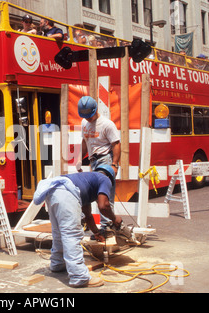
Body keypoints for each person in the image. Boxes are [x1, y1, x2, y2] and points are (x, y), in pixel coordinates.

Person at [33, 164, 124, 288]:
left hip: (54, 192)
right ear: (110, 177)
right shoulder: (105, 179)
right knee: (72, 235)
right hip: (66, 194)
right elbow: (104, 205)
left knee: (59, 232)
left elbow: (88, 215)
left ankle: (57, 264)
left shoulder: (86, 181)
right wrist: (115, 219)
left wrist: (96, 233)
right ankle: (79, 277)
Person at [77, 96, 121, 234]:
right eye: (86, 117)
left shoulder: (107, 124)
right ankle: (105, 225)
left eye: (90, 116)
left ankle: (106, 226)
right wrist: (79, 159)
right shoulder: (84, 123)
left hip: (105, 160)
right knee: (95, 194)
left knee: (104, 195)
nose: (88, 119)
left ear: (95, 110)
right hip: (93, 161)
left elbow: (116, 144)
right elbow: (85, 142)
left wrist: (114, 164)